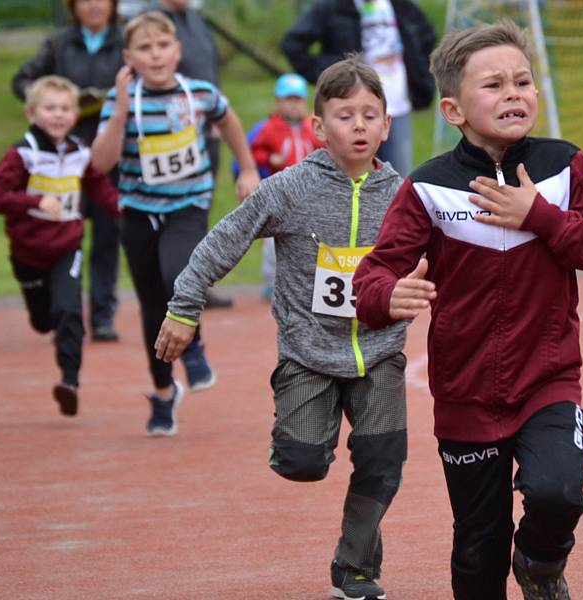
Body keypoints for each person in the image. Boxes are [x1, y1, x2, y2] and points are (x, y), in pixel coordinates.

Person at [354, 20, 583, 600]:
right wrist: (387, 296)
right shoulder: (429, 188)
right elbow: (373, 277)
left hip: (548, 381)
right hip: (465, 394)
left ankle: (539, 564)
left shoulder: (563, 167)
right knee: (478, 545)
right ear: (454, 110)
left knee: (559, 495)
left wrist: (541, 216)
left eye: (522, 81)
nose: (513, 93)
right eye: (494, 85)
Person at [154, 56, 406, 600]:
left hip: (380, 352)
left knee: (384, 462)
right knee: (303, 462)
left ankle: (355, 567)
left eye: (370, 115)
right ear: (318, 126)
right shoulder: (289, 188)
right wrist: (184, 306)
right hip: (309, 351)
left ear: (387, 125)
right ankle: (299, 432)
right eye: (345, 115)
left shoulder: (404, 196)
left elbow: (452, 258)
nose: (359, 126)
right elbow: (225, 239)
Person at [91, 11, 260, 435]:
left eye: (162, 46)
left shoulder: (199, 93)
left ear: (177, 50)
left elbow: (229, 120)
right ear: (129, 57)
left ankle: (195, 344)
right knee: (152, 308)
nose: (155, 55)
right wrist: (120, 111)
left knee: (179, 275)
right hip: (138, 211)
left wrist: (247, 168)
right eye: (145, 49)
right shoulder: (121, 101)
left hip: (188, 205)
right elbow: (100, 162)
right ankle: (164, 395)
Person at [0, 75, 119, 417]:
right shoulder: (22, 155)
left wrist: (123, 211)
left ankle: (69, 381)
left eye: (64, 108)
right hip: (28, 252)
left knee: (69, 309)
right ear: (31, 113)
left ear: (75, 114)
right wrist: (34, 200)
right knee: (44, 320)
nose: (58, 115)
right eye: (49, 108)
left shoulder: (79, 152)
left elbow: (97, 185)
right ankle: (42, 315)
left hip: (66, 246)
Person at [12, 0, 124, 341]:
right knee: (63, 237)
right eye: (85, 0)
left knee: (107, 238)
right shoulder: (58, 43)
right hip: (62, 159)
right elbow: (23, 81)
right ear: (73, 7)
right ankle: (66, 313)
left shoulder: (125, 42)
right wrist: (55, 106)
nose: (93, 6)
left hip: (108, 155)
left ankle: (103, 317)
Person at [281, 0, 436, 177]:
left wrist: (419, 72)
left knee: (396, 182)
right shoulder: (334, 7)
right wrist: (326, 74)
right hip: (350, 111)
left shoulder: (401, 6)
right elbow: (293, 43)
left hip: (397, 108)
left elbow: (426, 37)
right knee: (346, 179)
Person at [152, 0, 235, 307]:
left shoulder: (196, 20)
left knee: (198, 210)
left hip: (206, 133)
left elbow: (209, 71)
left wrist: (215, 112)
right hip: (170, 138)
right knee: (170, 214)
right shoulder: (155, 22)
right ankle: (168, 284)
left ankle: (194, 284)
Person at [250, 72, 324, 301]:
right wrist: (267, 159)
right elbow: (253, 152)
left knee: (314, 239)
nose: (293, 106)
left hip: (311, 193)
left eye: (297, 100)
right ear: (278, 102)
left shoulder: (313, 127)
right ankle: (272, 283)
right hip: (281, 194)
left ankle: (312, 282)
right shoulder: (269, 128)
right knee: (274, 245)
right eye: (288, 100)